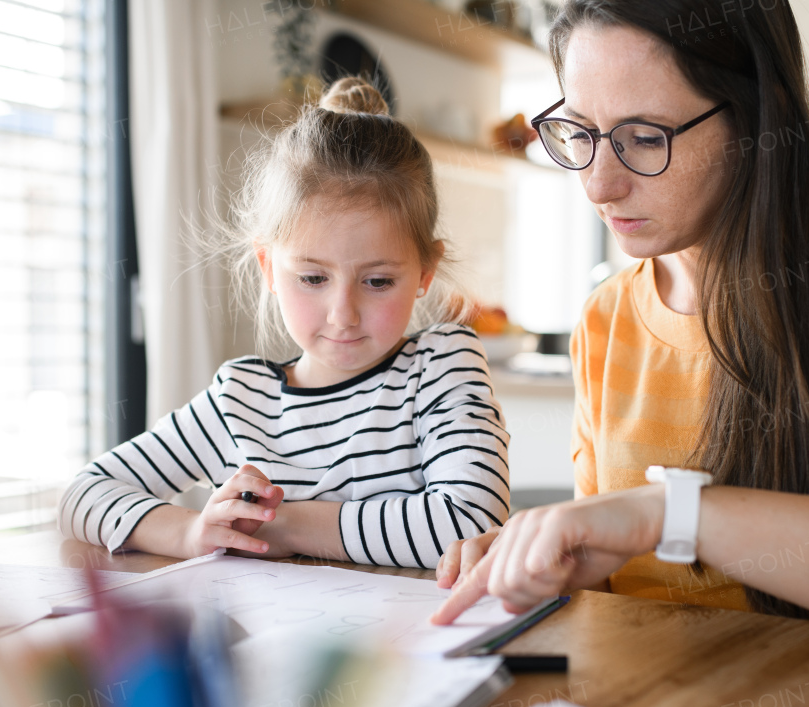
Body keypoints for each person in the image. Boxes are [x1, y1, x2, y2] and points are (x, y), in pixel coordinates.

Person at [431, 0, 809, 644]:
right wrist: (539, 563)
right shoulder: (608, 316)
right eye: (581, 133)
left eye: (645, 137)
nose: (599, 185)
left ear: (764, 116)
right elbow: (617, 588)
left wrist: (679, 513)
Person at [58, 78, 510, 568]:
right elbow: (82, 496)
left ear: (425, 272)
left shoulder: (442, 366)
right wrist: (192, 532)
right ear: (269, 268)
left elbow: (473, 522)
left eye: (378, 281)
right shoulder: (240, 400)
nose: (343, 313)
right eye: (313, 278)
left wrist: (287, 524)